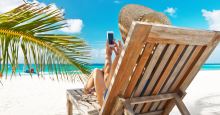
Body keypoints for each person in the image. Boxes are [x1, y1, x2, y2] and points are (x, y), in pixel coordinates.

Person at [84, 4, 171, 106]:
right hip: (151, 105)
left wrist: (111, 55)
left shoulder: (133, 60)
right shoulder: (166, 61)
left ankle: (86, 90)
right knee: (101, 71)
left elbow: (108, 85)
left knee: (96, 71)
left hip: (117, 107)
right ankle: (90, 89)